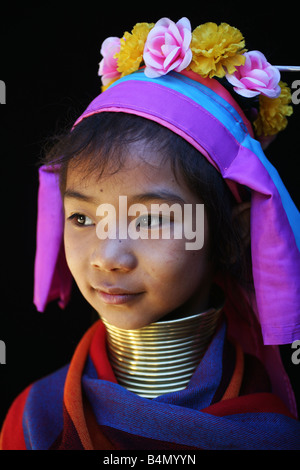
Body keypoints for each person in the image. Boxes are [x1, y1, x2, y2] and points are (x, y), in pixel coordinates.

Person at [1, 17, 300, 450]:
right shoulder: (34, 421)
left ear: (226, 232)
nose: (107, 256)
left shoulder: (273, 436)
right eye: (82, 218)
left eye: (150, 220)